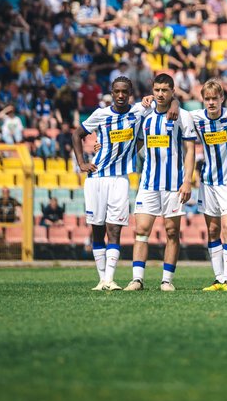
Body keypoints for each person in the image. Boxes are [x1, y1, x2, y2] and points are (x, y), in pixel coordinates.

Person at [72, 76, 149, 291]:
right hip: (96, 178)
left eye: (125, 91)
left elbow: (167, 102)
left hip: (119, 180)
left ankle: (110, 279)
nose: (121, 95)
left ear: (130, 93)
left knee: (115, 229)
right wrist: (82, 162)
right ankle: (101, 280)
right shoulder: (100, 114)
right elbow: (77, 134)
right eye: (117, 91)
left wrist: (128, 153)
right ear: (112, 93)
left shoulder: (139, 111)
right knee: (98, 229)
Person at [126, 73, 198, 292]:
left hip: (173, 185)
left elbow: (189, 151)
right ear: (152, 90)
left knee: (171, 232)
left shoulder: (182, 116)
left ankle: (167, 280)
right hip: (148, 184)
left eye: (165, 90)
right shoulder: (145, 114)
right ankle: (137, 279)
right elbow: (135, 143)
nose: (160, 94)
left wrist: (187, 181)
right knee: (141, 229)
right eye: (157, 90)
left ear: (172, 92)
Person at [192, 79, 227, 292]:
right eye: (207, 99)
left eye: (215, 98)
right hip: (208, 183)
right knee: (213, 230)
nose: (211, 102)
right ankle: (218, 278)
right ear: (203, 100)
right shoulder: (196, 118)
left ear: (222, 98)